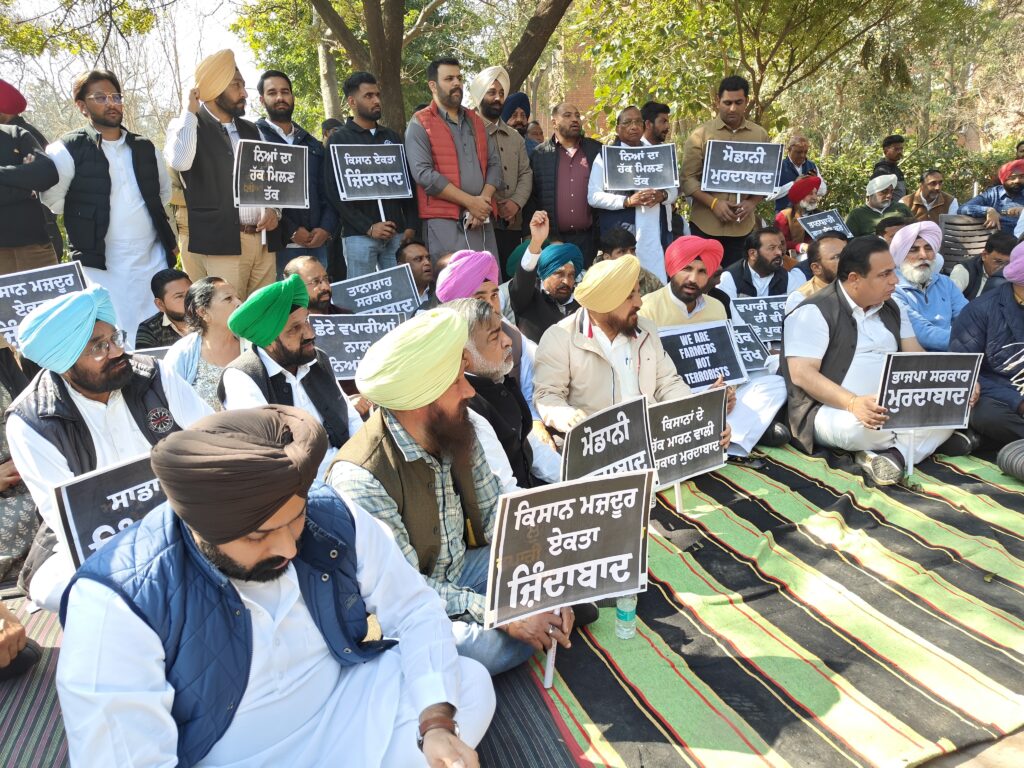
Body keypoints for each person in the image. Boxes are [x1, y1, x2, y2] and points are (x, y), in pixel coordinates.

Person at [57, 405, 495, 767]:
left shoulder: (329, 515)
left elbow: (415, 610)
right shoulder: (116, 601)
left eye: (295, 519)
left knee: (469, 683)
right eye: (259, 535)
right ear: (203, 529)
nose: (288, 547)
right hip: (231, 755)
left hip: (343, 708)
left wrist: (435, 724)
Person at [327, 308, 577, 675]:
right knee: (484, 648)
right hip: (407, 606)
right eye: (456, 381)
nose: (469, 390)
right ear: (421, 399)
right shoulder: (360, 478)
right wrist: (502, 612)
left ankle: (541, 621)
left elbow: (496, 517)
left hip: (462, 568)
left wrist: (543, 584)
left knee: (554, 574)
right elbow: (405, 590)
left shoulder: (458, 425)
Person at [7, 285, 211, 611]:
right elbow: (66, 521)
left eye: (115, 338)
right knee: (52, 588)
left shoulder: (153, 375)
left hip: (185, 513)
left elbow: (212, 438)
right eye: (99, 347)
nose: (117, 351)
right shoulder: (33, 420)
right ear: (64, 362)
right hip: (99, 540)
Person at [781, 236, 974, 485]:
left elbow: (915, 355)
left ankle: (895, 456)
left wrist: (955, 382)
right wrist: (853, 403)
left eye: (893, 271)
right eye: (884, 275)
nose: (895, 280)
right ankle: (921, 444)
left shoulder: (893, 307)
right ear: (854, 279)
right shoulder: (813, 311)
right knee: (858, 428)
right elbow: (802, 374)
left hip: (893, 406)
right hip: (834, 410)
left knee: (953, 407)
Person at [533, 252, 734, 440]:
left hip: (650, 435)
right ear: (605, 301)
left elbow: (667, 383)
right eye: (630, 296)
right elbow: (548, 395)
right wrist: (571, 419)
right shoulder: (561, 337)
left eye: (638, 293)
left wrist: (699, 416)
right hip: (597, 441)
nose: (639, 302)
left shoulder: (646, 329)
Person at [41, 69, 177, 346]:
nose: (111, 103)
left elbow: (163, 194)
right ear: (82, 106)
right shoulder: (66, 149)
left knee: (161, 329)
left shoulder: (144, 147)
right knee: (116, 333)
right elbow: (53, 201)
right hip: (102, 261)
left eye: (116, 96)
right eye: (100, 97)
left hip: (151, 256)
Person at [639, 236, 788, 453]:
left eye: (702, 271)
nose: (693, 278)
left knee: (775, 383)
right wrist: (699, 399)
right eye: (687, 269)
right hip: (671, 400)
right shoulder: (647, 309)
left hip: (714, 399)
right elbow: (648, 378)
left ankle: (728, 433)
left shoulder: (716, 307)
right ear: (672, 269)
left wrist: (727, 392)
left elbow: (725, 363)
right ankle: (741, 431)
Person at [219, 274, 364, 477]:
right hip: (295, 484)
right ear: (269, 341)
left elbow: (351, 419)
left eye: (306, 321)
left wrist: (362, 466)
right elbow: (267, 456)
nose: (310, 334)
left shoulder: (317, 358)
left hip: (347, 468)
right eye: (295, 329)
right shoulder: (242, 378)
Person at [164, 49, 282, 297]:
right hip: (221, 244)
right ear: (215, 89)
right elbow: (181, 162)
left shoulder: (253, 130)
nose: (244, 93)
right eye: (236, 85)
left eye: (243, 85)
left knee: (263, 312)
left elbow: (270, 178)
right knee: (226, 313)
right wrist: (190, 113)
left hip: (262, 242)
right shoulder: (185, 125)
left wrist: (274, 211)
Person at [447, 298, 560, 491]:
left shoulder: (497, 380)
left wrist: (574, 478)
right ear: (465, 357)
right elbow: (504, 490)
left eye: (502, 331)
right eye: (495, 337)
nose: (507, 341)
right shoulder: (467, 410)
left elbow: (529, 445)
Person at [405, 58, 501, 259]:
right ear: (433, 85)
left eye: (459, 78)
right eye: (449, 79)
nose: (457, 83)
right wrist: (470, 202)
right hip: (444, 222)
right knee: (453, 277)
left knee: (487, 276)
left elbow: (494, 163)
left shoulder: (476, 121)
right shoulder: (420, 123)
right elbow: (424, 175)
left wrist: (481, 203)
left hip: (481, 220)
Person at [327, 72, 418, 278]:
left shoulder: (392, 137)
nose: (376, 100)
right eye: (368, 96)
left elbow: (407, 183)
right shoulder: (339, 140)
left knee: (399, 291)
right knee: (363, 294)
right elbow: (333, 190)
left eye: (377, 95)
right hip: (358, 237)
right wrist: (367, 227)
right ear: (352, 101)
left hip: (397, 235)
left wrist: (411, 225)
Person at [681, 75, 769, 267]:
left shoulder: (760, 135)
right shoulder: (701, 135)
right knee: (702, 279)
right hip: (704, 225)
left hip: (742, 228)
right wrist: (714, 204)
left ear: (747, 101)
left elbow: (766, 179)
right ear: (717, 102)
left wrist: (752, 203)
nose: (733, 108)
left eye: (738, 102)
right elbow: (687, 179)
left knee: (735, 279)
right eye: (727, 103)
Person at [255, 70, 338, 275]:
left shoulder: (312, 143)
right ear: (262, 100)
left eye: (285, 92)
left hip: (317, 245)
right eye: (272, 93)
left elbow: (329, 190)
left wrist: (326, 228)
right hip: (276, 246)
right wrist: (291, 230)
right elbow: (255, 193)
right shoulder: (255, 139)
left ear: (293, 97)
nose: (280, 97)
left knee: (318, 295)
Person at [589, 106, 675, 283]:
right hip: (622, 237)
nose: (633, 126)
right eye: (627, 122)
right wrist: (627, 201)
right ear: (617, 128)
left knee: (655, 287)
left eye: (637, 122)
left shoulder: (658, 154)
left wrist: (663, 196)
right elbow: (593, 196)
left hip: (654, 236)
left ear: (644, 126)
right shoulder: (606, 156)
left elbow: (673, 192)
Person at [949, 242, 1024, 446]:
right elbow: (962, 369)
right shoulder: (980, 310)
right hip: (997, 391)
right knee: (984, 413)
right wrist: (1018, 401)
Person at [468, 67, 532, 270]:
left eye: (501, 93)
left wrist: (515, 203)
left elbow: (525, 173)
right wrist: (493, 204)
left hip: (512, 223)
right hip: (480, 222)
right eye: (491, 92)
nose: (497, 98)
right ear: (480, 95)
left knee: (509, 278)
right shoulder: (467, 132)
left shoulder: (515, 137)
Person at [529, 102, 603, 265]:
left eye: (577, 116)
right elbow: (532, 197)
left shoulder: (596, 150)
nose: (575, 119)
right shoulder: (540, 155)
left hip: (589, 240)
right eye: (567, 115)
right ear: (554, 122)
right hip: (554, 241)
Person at [0, 79, 63, 260]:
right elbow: (30, 180)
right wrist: (26, 187)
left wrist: (29, 184)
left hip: (36, 240)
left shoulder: (21, 134)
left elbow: (45, 175)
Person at [164, 276, 244, 411]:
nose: (239, 303)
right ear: (203, 312)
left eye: (238, 297)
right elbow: (168, 401)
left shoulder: (253, 346)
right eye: (228, 298)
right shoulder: (182, 353)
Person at [890, 221, 967, 351]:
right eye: (913, 250)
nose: (923, 255)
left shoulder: (945, 283)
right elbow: (923, 334)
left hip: (959, 350)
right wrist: (969, 340)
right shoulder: (892, 289)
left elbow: (968, 316)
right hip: (919, 358)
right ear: (900, 255)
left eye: (928, 248)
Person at [511, 211, 583, 343]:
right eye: (559, 274)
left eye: (571, 275)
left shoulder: (581, 301)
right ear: (544, 273)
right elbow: (522, 281)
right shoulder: (528, 298)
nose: (566, 281)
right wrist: (536, 242)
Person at [718, 226, 806, 299]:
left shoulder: (787, 278)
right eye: (772, 248)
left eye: (779, 247)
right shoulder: (730, 277)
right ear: (753, 254)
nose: (779, 252)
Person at [784, 230, 847, 312]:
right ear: (816, 268)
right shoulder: (801, 299)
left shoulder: (858, 285)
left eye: (847, 254)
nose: (847, 260)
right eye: (836, 257)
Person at [960, 159, 1024, 235]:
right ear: (1003, 180)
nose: (1017, 181)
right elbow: (963, 208)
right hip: (997, 238)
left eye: (1022, 177)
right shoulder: (993, 194)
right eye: (1012, 178)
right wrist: (987, 210)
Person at [949, 231, 1016, 300]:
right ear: (984, 256)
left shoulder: (1016, 274)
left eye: (1008, 263)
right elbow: (948, 300)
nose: (1003, 268)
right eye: (998, 261)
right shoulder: (964, 271)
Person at [594, 228, 662, 295]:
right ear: (607, 257)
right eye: (622, 251)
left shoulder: (649, 280)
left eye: (632, 250)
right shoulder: (594, 283)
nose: (630, 255)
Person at [135, 268, 191, 349]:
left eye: (191, 292)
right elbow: (145, 357)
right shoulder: (149, 329)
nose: (189, 299)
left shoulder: (208, 316)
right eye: (179, 296)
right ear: (160, 304)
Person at [845, 174, 913, 237]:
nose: (889, 195)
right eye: (884, 192)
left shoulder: (901, 208)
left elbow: (914, 230)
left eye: (891, 191)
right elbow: (849, 241)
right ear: (871, 194)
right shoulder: (856, 215)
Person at [774, 175, 826, 253]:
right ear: (800, 195)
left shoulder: (820, 214)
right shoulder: (784, 216)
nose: (815, 197)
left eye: (815, 193)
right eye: (810, 193)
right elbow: (779, 242)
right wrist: (800, 246)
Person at [775, 135, 820, 213]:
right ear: (789, 150)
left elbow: (822, 190)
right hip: (785, 215)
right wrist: (793, 184)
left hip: (807, 214)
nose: (802, 155)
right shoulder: (778, 167)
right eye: (798, 152)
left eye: (805, 152)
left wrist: (813, 183)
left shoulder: (812, 166)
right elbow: (769, 196)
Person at [396, 238, 437, 310]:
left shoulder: (441, 291)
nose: (427, 262)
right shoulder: (392, 297)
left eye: (428, 258)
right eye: (418, 259)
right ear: (402, 267)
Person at [871, 134, 907, 199]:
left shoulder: (897, 170)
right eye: (896, 149)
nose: (900, 152)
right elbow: (878, 199)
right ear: (886, 151)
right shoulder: (881, 171)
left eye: (901, 149)